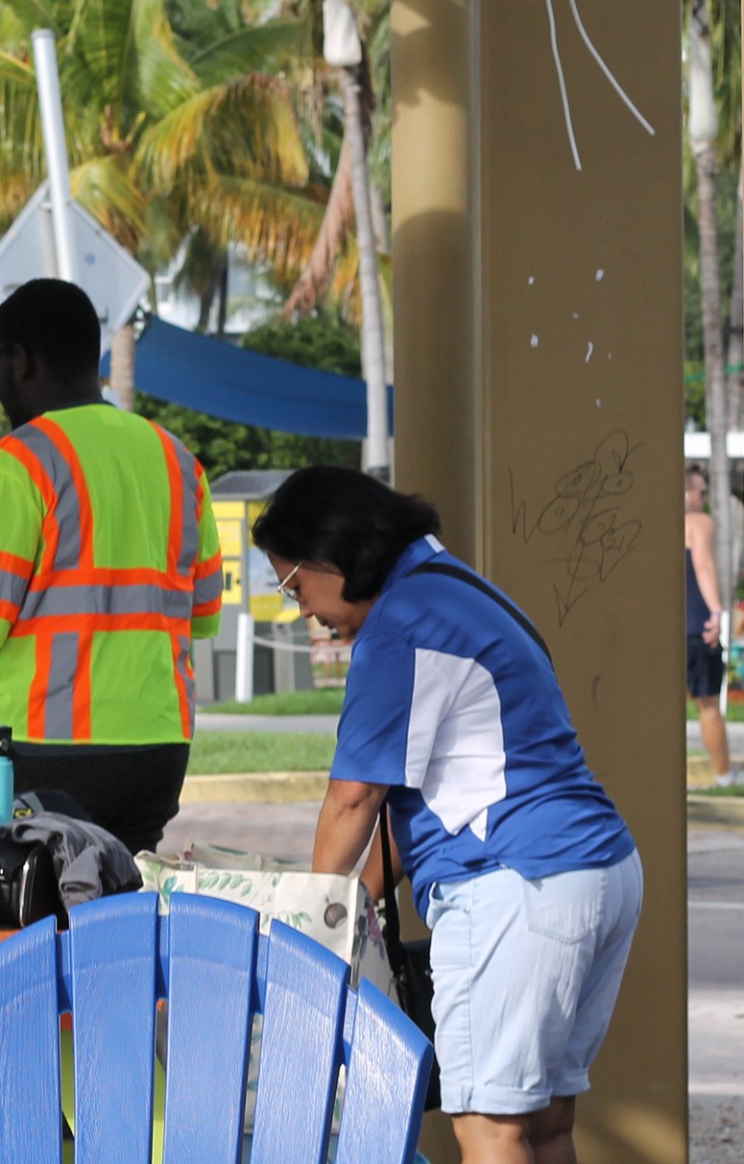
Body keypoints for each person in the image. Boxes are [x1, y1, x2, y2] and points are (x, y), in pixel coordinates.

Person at [254, 466, 640, 1164]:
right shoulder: (458, 588)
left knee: (488, 1128)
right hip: (597, 869)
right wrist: (360, 901)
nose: (301, 610)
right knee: (546, 1122)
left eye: (293, 585)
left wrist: (312, 924)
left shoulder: (401, 622)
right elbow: (425, 798)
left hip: (517, 884)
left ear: (331, 556)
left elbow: (354, 799)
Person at [0, 278, 222, 852]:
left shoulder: (17, 464)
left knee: (18, 922)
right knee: (117, 916)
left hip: (37, 753)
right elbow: (201, 614)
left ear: (21, 361)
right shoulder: (178, 460)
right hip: (157, 752)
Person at [685, 464, 735, 786]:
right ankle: (725, 776)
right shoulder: (698, 522)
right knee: (708, 706)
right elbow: (702, 565)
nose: (704, 498)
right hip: (697, 626)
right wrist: (717, 613)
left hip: (667, 627)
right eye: (701, 491)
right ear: (687, 493)